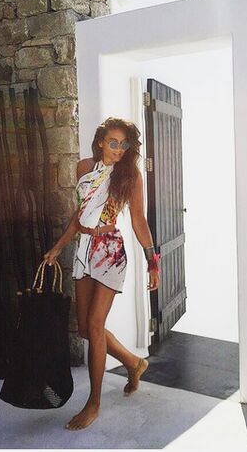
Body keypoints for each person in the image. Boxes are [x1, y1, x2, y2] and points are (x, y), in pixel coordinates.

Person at [43, 117, 161, 431]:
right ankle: (134, 363)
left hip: (110, 251)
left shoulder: (130, 176)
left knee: (95, 325)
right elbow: (79, 214)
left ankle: (93, 404)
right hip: (84, 249)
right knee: (85, 329)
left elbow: (138, 220)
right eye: (113, 143)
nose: (119, 149)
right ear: (100, 143)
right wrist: (57, 248)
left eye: (124, 144)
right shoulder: (83, 168)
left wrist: (153, 262)